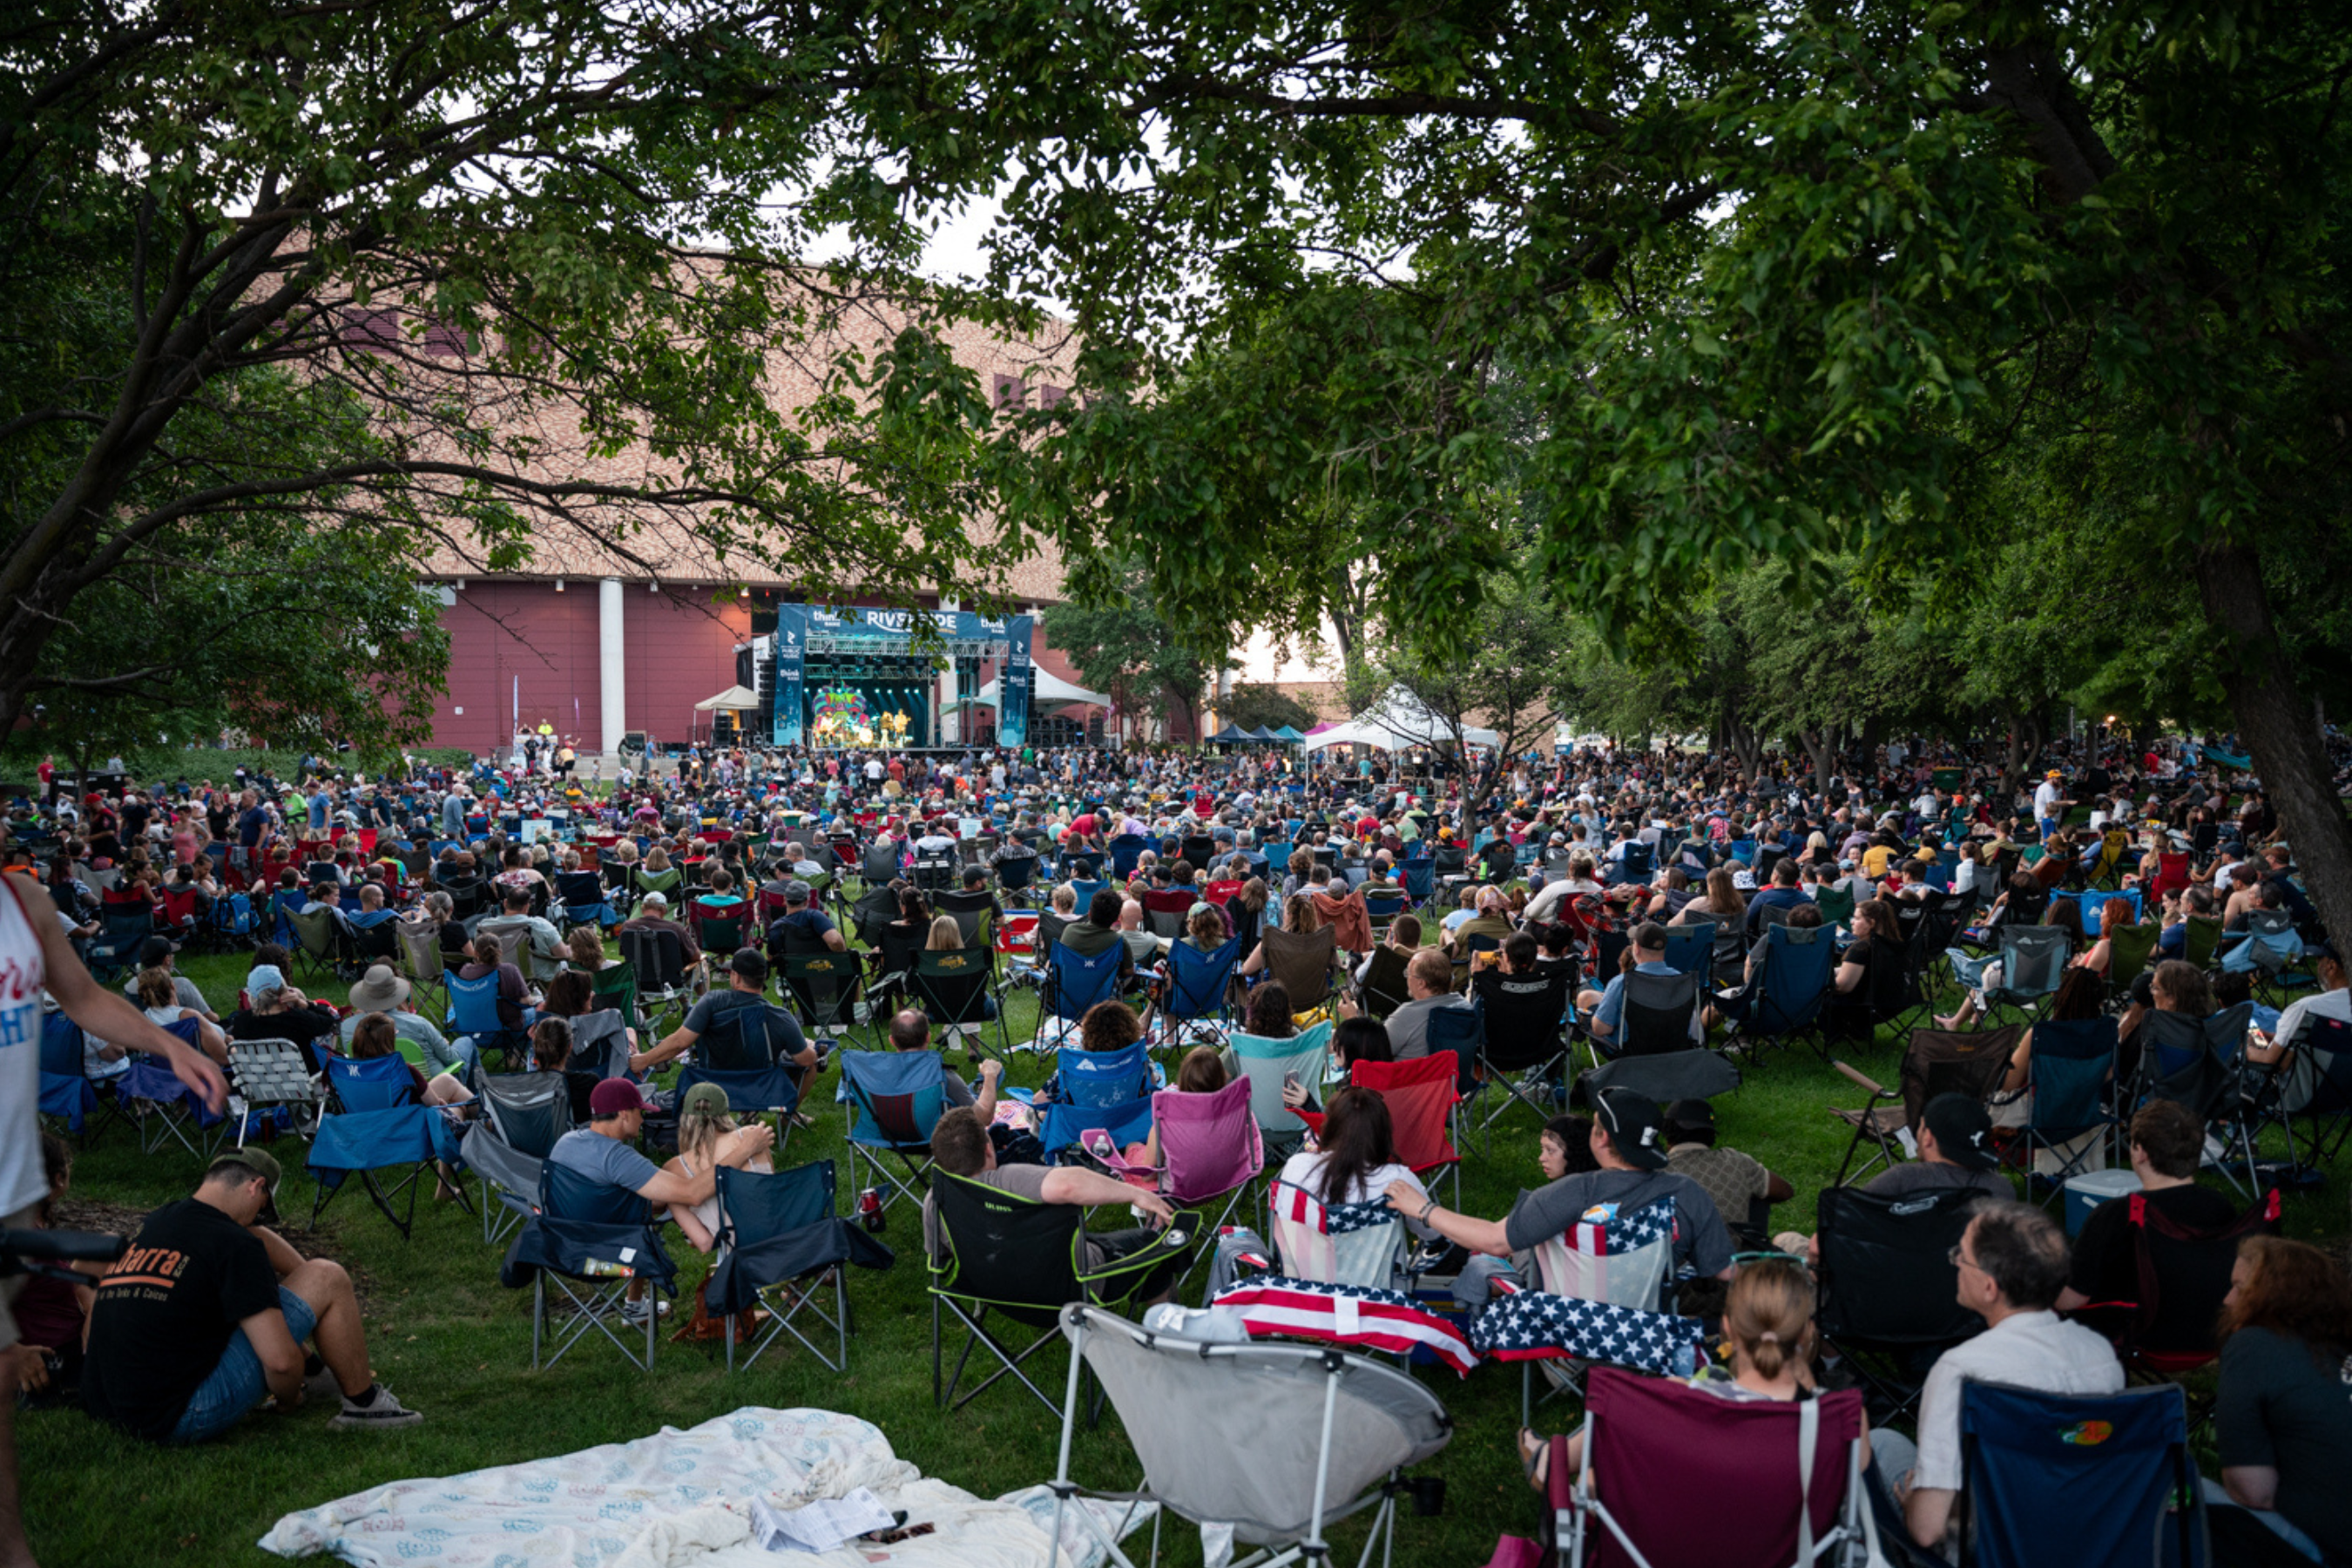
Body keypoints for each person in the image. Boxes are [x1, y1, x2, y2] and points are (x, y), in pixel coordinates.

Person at [82, 1148, 421, 1442]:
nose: (259, 1220)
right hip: (179, 1413)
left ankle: (318, 1358)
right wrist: (289, 1399)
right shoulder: (234, 1244)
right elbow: (280, 1363)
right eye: (262, 1208)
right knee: (327, 1276)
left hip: (113, 1406)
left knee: (264, 1251)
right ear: (257, 1186)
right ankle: (365, 1406)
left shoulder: (157, 1223)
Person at [1870, 1201, 2122, 1551]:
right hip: (2085, 1533)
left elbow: (1928, 1530)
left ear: (1990, 1288)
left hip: (1992, 1543)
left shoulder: (1962, 1369)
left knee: (1882, 1442)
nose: (1956, 1260)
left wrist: (1912, 1498)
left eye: (1963, 1255)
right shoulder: (2100, 1354)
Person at [1518, 1256, 1848, 1488]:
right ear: (1806, 1332)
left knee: (1602, 1467)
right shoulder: (1839, 1420)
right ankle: (1564, 1468)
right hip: (1788, 1549)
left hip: (1673, 1541)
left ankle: (1554, 1462)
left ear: (1728, 1327)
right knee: (1889, 1445)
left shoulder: (1673, 1400)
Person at [1392, 1089, 1737, 1304]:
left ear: (1601, 1140)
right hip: (1645, 1344)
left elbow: (1494, 1241)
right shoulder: (1686, 1193)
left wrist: (1422, 1208)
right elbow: (1723, 1273)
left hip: (1563, 1343)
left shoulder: (1571, 1194)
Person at [920, 1106, 1185, 1304]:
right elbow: (1070, 1184)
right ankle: (1170, 1333)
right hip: (1070, 1287)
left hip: (992, 1290)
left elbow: (940, 1258)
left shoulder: (937, 1198)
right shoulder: (1007, 1180)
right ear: (988, 1149)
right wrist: (1137, 1194)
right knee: (1152, 1246)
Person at [2205, 1237, 2352, 1565]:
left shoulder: (2254, 1344)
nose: (2228, 1300)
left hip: (2326, 1547)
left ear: (2273, 1296)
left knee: (2174, 1490)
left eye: (2240, 1289)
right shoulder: (2338, 1344)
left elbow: (2252, 1492)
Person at [2055, 1099, 2240, 1355]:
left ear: (2140, 1153)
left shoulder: (2115, 1215)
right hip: (2212, 1333)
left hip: (2137, 1335)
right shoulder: (2221, 1207)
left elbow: (2073, 1298)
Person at [633, 949, 817, 1082]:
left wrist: (643, 1060)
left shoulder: (711, 1002)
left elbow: (680, 1042)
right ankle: (787, 1117)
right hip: (762, 1088)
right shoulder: (781, 1017)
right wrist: (809, 1046)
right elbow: (806, 1060)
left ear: (735, 977)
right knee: (812, 1066)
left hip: (714, 1085)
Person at [1661, 1098, 1793, 1248]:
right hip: (1732, 1263)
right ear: (1711, 1133)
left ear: (1665, 1131)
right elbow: (1785, 1191)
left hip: (1672, 1264)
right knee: (1760, 1192)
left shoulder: (1656, 1170)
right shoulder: (1737, 1161)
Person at [339, 963, 477, 1084]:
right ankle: (475, 1106)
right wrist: (441, 1045)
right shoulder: (418, 1024)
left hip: (381, 1089)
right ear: (396, 993)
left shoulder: (347, 1028)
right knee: (466, 1042)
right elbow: (451, 1059)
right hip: (433, 1088)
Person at [1581, 922, 1702, 1051]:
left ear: (1636, 948)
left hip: (1630, 1054)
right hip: (1672, 1051)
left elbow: (1601, 1029)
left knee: (1591, 1014)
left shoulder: (1621, 983)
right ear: (1664, 948)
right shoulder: (1681, 981)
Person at [479, 886, 566, 983]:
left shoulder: (484, 927)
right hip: (538, 981)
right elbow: (562, 955)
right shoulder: (541, 926)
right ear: (527, 907)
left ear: (505, 903)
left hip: (497, 981)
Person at [617, 889, 703, 967]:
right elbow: (696, 956)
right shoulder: (675, 928)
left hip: (639, 978)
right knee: (702, 965)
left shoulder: (628, 927)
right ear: (664, 910)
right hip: (673, 979)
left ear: (642, 909)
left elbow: (625, 953)